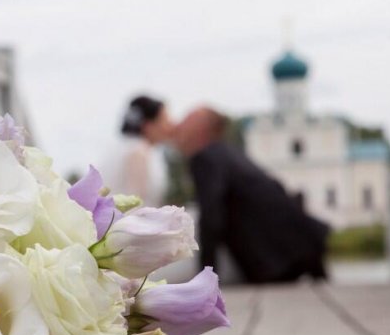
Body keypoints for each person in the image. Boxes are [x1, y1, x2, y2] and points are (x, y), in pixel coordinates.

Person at [174, 107, 330, 284]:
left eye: (186, 120)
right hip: (300, 244)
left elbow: (211, 216)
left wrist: (205, 279)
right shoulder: (227, 153)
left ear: (200, 130)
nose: (178, 125)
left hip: (274, 258)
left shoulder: (206, 158)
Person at [100, 95, 172, 206]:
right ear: (148, 125)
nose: (169, 126)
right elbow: (135, 203)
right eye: (164, 120)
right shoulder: (138, 152)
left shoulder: (126, 147)